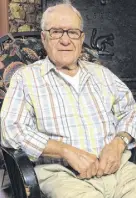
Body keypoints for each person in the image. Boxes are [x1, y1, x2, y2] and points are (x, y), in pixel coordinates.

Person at [1, 3, 136, 198]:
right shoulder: (26, 78)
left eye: (72, 32)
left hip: (120, 170)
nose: (65, 40)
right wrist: (65, 151)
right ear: (44, 38)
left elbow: (131, 110)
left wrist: (118, 143)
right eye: (56, 32)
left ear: (81, 39)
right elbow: (11, 128)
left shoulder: (102, 74)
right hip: (62, 176)